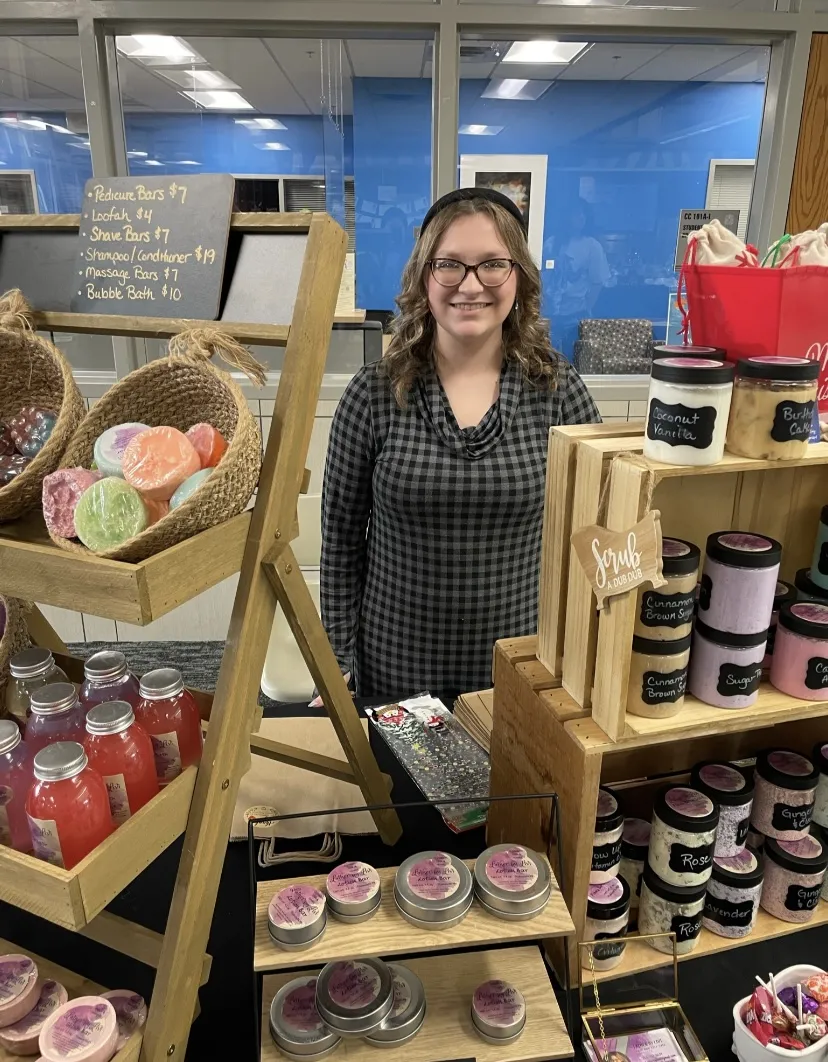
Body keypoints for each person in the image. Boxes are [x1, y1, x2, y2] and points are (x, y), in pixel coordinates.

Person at [320, 187, 600, 697]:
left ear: (519, 275)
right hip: (395, 670)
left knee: (515, 781)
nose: (470, 285)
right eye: (449, 265)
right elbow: (340, 544)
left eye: (492, 264)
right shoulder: (373, 394)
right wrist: (335, 658)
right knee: (394, 782)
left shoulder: (556, 389)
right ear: (424, 276)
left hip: (520, 672)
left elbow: (596, 526)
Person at [549, 199, 611, 358]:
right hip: (551, 315)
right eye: (575, 214)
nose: (579, 218)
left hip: (576, 315)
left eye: (582, 214)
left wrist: (585, 310)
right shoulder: (552, 242)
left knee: (572, 360)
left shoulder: (592, 246)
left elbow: (597, 282)